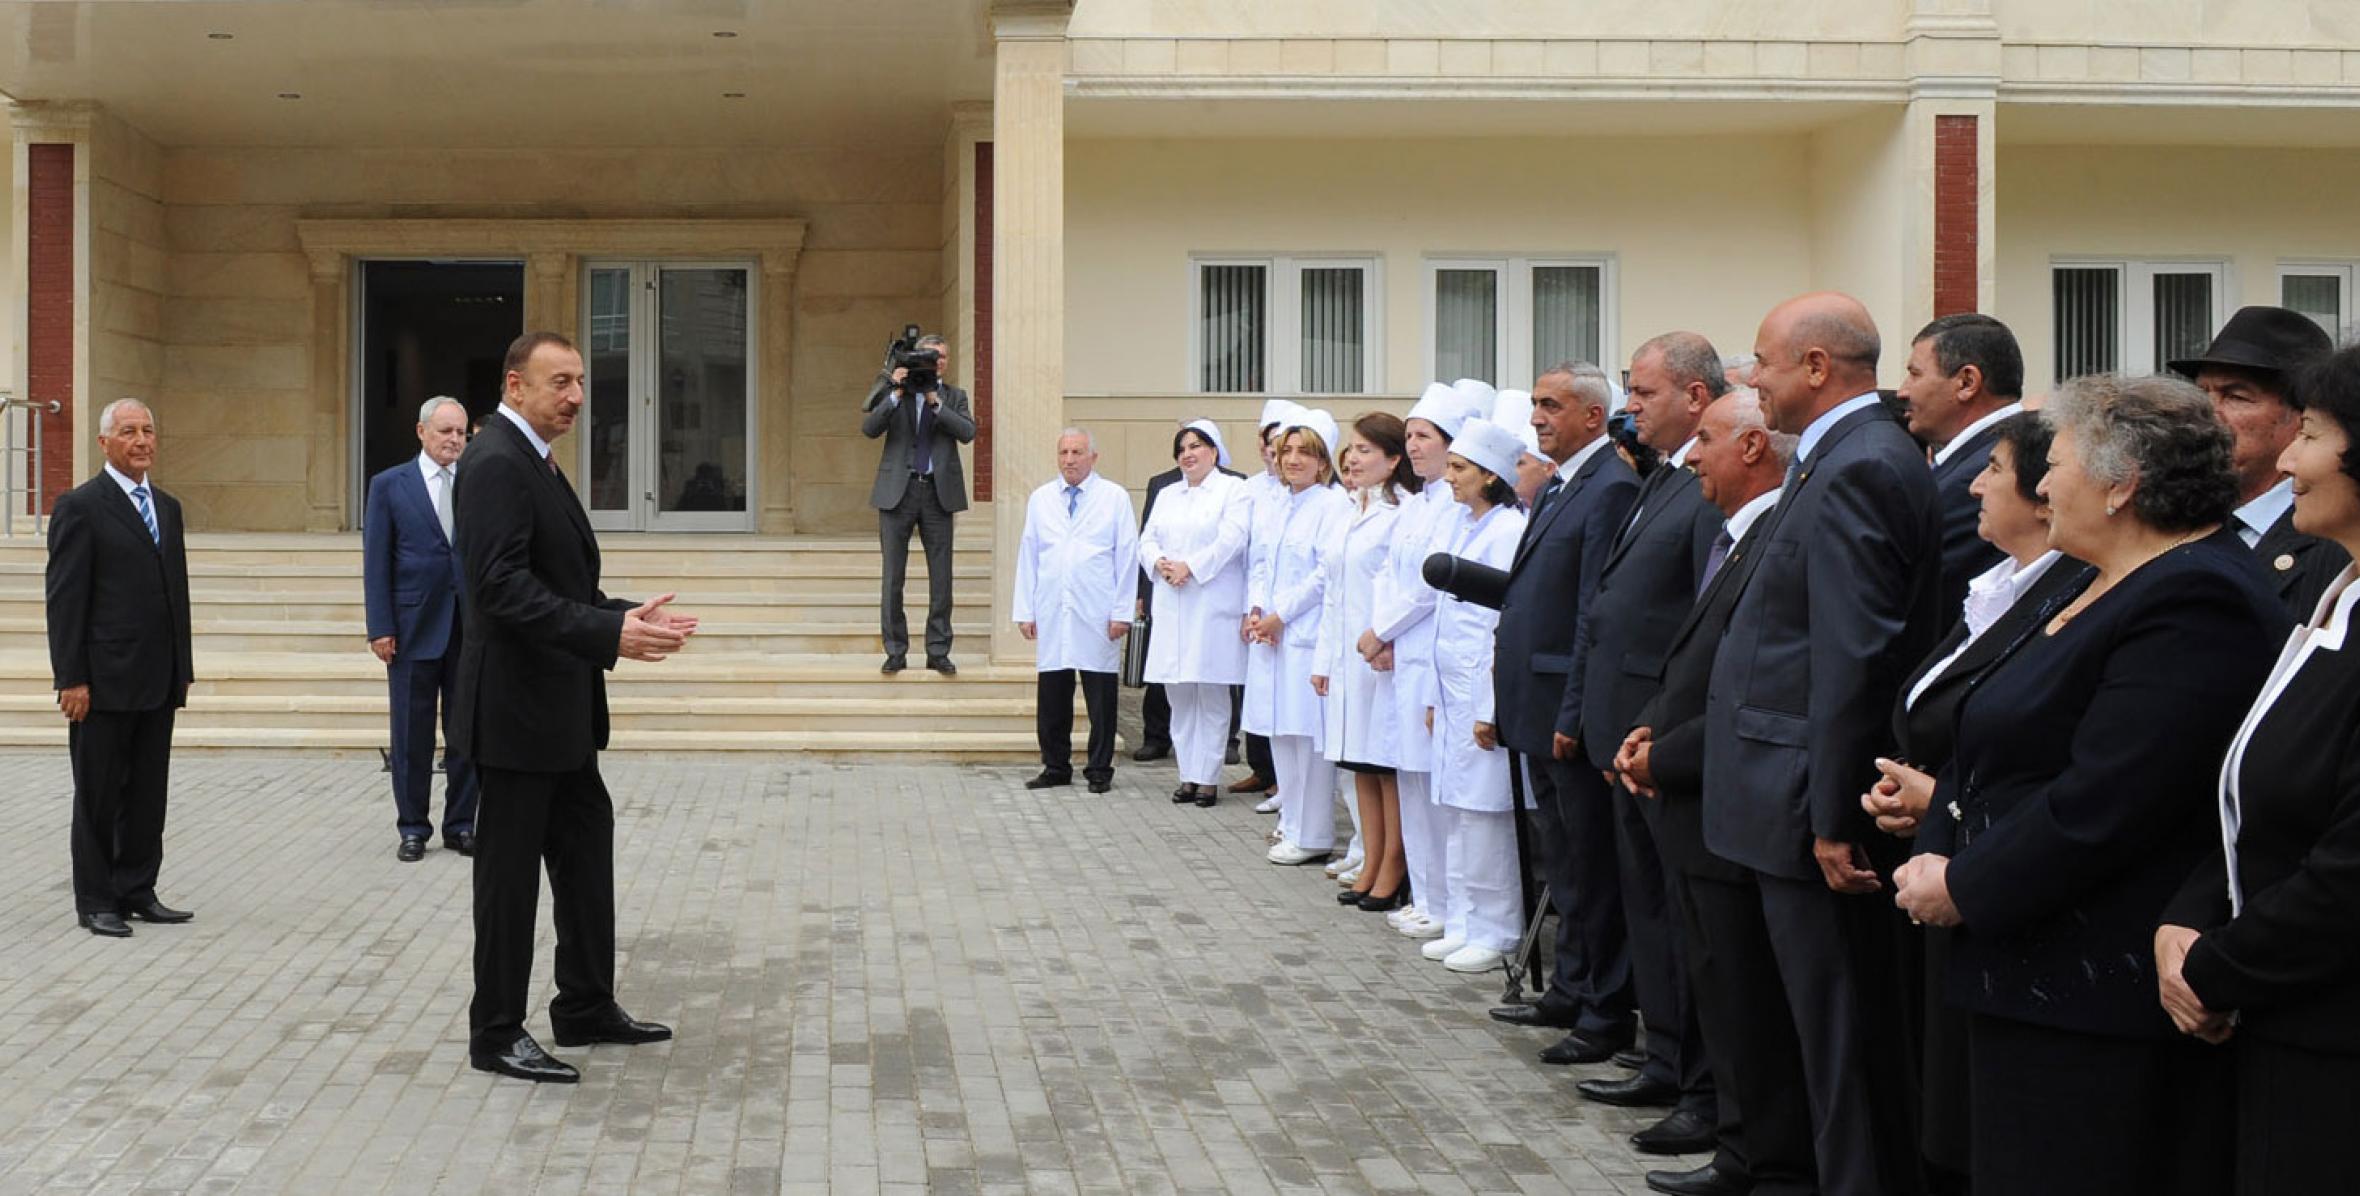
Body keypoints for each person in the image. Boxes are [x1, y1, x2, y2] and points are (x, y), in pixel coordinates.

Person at [1893, 373, 2282, 1195]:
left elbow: (2109, 800)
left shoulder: (2198, 596)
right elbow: (1978, 730)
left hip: (2094, 993)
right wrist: (1938, 851)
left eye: (2057, 462)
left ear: (2122, 484)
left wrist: (1963, 881)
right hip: (2021, 966)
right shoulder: (2090, 574)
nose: (2040, 483)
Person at [1707, 293, 1940, 1196]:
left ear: (1815, 367)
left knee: (1843, 1036)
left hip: (1810, 802)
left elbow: (1855, 653)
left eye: (1762, 362)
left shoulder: (1863, 464)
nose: (1752, 380)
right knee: (1810, 1032)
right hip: (1779, 790)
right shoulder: (1835, 456)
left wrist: (1835, 810)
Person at [452, 331, 700, 1084]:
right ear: (514, 383)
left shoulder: (534, 459)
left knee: (586, 857)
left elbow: (555, 587)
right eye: (560, 381)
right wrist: (605, 632)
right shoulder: (495, 461)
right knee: (510, 882)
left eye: (581, 380)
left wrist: (624, 615)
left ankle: (585, 1004)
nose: (577, 396)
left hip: (560, 714)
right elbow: (498, 590)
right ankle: (495, 1031)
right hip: (516, 716)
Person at [1861, 411, 2089, 1195]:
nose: (1972, 483)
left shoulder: (2070, 594)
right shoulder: (1994, 588)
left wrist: (1941, 806)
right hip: (1941, 865)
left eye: (1993, 467)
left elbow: (2050, 761)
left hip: (1989, 883)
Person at [2156, 343, 2360, 1195]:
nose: (2286, 461)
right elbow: (2254, 796)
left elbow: (2347, 870)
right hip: (2280, 1024)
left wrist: (2213, 968)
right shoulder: (2336, 595)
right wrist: (2187, 921)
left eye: (2308, 434)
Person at [1617, 389, 1798, 1196]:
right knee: (1718, 986)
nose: (1692, 455)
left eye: (1709, 440)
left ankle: (1758, 1159)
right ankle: (1740, 1147)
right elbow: (1692, 662)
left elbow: (1755, 684)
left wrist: (1668, 754)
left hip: (1722, 791)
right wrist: (1651, 726)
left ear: (1755, 448)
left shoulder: (1775, 539)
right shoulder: (1735, 535)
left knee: (1742, 998)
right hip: (1690, 781)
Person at [1565, 332, 1729, 1151]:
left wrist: (1659, 729)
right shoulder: (1663, 477)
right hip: (1625, 734)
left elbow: (1701, 625)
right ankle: (1662, 1055)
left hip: (1659, 739)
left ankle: (1695, 1079)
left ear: (1696, 397)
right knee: (1647, 908)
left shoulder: (1709, 484)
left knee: (1676, 915)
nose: (1632, 406)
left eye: (1646, 392)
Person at [1497, 363, 1641, 1052]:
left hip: (1566, 709)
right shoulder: (1564, 484)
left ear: (1592, 415)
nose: (1536, 417)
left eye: (1550, 405)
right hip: (1538, 699)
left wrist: (1573, 713)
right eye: (1534, 404)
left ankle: (1601, 1011)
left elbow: (1593, 612)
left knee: (1588, 866)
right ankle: (1568, 989)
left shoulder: (1609, 487)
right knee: (1564, 859)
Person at [46, 398, 194, 939]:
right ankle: (96, 899)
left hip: (157, 679)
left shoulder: (168, 507)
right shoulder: (80, 506)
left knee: (148, 793)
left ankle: (137, 889)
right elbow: (65, 600)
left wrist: (183, 667)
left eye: (148, 430)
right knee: (99, 794)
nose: (141, 440)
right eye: (128, 431)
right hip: (102, 682)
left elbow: (174, 593)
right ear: (105, 442)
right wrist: (71, 677)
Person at [1365, 384, 1479, 945]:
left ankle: (1445, 901)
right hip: (1399, 654)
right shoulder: (1415, 504)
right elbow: (1390, 574)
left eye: (1423, 436)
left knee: (1432, 785)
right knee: (1408, 776)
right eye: (1408, 435)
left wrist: (1381, 629)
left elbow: (1429, 588)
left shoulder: (1452, 509)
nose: (1412, 446)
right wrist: (1380, 635)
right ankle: (1428, 895)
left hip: (1424, 651)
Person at [1424, 417, 1532, 973]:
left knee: (1487, 816)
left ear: (1492, 475)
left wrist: (1491, 707)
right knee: (1457, 812)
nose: (1450, 477)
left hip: (1480, 693)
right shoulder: (1465, 527)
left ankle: (1498, 929)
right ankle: (1465, 920)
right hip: (1450, 690)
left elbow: (1502, 626)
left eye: (1460, 468)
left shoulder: (1508, 530)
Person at [2172, 305, 2349, 620]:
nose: (2206, 415)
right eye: (2201, 395)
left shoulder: (2335, 536)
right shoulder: (2178, 518)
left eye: (2236, 397)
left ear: (2300, 418)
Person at [363, 395, 479, 863]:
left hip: (468, 627)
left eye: (461, 432)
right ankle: (412, 827)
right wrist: (380, 627)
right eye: (445, 431)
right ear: (421, 432)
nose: (455, 440)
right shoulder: (390, 485)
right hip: (411, 628)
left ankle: (461, 825)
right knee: (411, 735)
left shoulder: (476, 481)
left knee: (466, 732)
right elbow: (376, 561)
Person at [1315, 413, 1416, 909]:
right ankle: (1372, 857)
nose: (1352, 458)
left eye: (1366, 451)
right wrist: (1323, 659)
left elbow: (1406, 588)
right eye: (1351, 449)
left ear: (1394, 460)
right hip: (1346, 656)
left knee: (1384, 765)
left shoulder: (1404, 512)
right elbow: (1331, 593)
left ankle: (1392, 863)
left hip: (1383, 656)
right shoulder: (1348, 509)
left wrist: (1384, 638)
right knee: (1358, 762)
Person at [1247, 410, 1352, 866]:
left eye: (1303, 452)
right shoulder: (1276, 503)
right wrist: (1256, 610)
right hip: (1270, 635)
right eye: (1286, 450)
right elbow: (1259, 564)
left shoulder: (1334, 506)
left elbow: (1322, 576)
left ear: (1323, 461)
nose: (1292, 459)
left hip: (1303, 634)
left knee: (1308, 739)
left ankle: (1313, 833)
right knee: (1279, 732)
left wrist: (1280, 615)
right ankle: (1290, 822)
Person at [1014, 429, 1137, 795]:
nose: (1070, 459)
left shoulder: (1113, 497)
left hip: (1098, 609)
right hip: (1054, 607)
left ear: (1093, 458)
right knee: (1053, 693)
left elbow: (1127, 556)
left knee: (1100, 696)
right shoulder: (1041, 498)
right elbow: (1029, 555)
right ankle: (1055, 765)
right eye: (1064, 452)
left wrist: (1122, 612)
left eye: (1078, 452)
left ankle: (1099, 768)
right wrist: (1026, 608)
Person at [1141, 421, 1253, 807]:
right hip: (1173, 602)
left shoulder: (1234, 490)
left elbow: (1232, 539)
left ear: (1214, 451)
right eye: (1182, 448)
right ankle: (1187, 774)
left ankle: (1208, 777)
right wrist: (1160, 563)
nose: (1188, 454)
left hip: (1211, 603)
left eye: (1196, 446)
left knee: (1211, 692)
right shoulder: (1168, 493)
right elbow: (1147, 538)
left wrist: (1191, 566)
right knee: (1179, 693)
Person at [1900, 314, 2025, 627]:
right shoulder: (1985, 456)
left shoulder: (1981, 474)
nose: (1903, 391)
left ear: (1967, 383)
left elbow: (1911, 596)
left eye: (1915, 374)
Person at [861, 333, 975, 675]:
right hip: (898, 491)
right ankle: (895, 650)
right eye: (928, 356)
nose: (935, 361)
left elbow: (968, 432)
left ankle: (938, 650)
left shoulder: (954, 396)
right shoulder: (895, 390)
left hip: (938, 493)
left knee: (942, 578)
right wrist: (895, 391)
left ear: (947, 362)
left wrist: (933, 400)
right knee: (893, 576)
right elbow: (869, 427)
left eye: (940, 357)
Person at [1231, 400, 1301, 802]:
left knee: (1283, 702)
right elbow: (1250, 553)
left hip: (1287, 614)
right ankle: (1262, 769)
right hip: (1255, 602)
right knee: (1255, 694)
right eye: (1271, 443)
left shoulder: (1312, 495)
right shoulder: (1251, 488)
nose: (1277, 453)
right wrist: (1252, 607)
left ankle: (1282, 781)